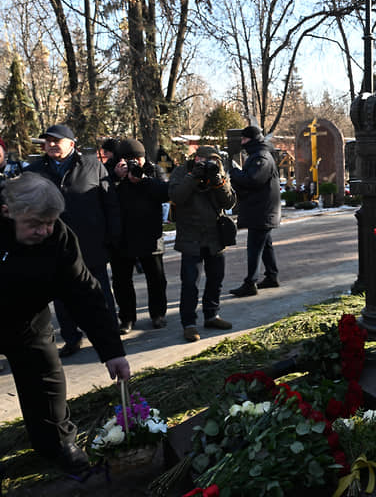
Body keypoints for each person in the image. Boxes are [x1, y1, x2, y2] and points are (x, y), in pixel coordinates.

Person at [0, 173, 130, 473]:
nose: (44, 230)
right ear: (7, 212)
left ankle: (57, 444)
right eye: (34, 223)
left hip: (28, 322)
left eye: (50, 221)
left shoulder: (59, 237)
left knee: (46, 382)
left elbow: (84, 293)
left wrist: (112, 351)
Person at [27, 124, 120, 357]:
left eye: (55, 140)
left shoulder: (92, 166)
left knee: (99, 291)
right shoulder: (35, 171)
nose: (50, 144)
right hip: (53, 245)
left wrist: (112, 237)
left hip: (91, 242)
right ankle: (71, 337)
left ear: (71, 143)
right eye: (47, 141)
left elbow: (110, 205)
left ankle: (109, 333)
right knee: (61, 296)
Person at [169, 146, 236, 342]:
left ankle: (212, 315)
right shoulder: (181, 172)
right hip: (191, 236)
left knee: (216, 279)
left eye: (212, 161)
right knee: (190, 283)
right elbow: (176, 197)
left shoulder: (219, 172)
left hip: (215, 236)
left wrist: (218, 182)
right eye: (204, 160)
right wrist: (193, 177)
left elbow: (230, 202)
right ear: (196, 158)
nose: (207, 164)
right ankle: (189, 324)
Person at [110, 138, 170, 333]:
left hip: (149, 234)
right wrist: (116, 177)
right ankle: (127, 318)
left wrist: (144, 180)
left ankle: (158, 314)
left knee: (157, 279)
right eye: (129, 160)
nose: (134, 163)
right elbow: (101, 195)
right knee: (121, 281)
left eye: (137, 159)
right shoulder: (111, 173)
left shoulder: (153, 171)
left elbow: (165, 193)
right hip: (121, 237)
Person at [228, 125, 281, 296]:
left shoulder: (261, 157)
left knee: (254, 248)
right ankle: (272, 276)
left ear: (252, 139)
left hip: (261, 211)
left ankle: (250, 283)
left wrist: (234, 173)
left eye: (244, 139)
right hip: (262, 209)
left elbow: (253, 180)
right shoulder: (259, 155)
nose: (242, 143)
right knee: (265, 246)